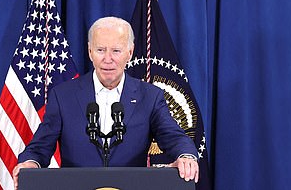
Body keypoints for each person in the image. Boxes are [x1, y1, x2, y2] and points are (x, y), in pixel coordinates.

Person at [12, 16, 199, 188]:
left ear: (130, 52)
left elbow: (174, 137)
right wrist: (29, 162)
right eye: (101, 50)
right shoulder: (63, 96)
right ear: (90, 51)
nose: (108, 59)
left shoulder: (150, 96)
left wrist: (186, 156)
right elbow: (39, 147)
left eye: (116, 51)